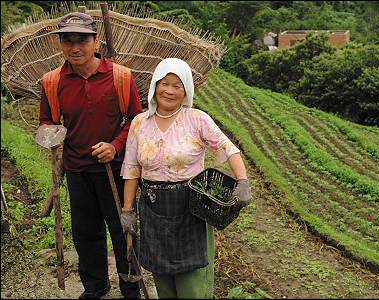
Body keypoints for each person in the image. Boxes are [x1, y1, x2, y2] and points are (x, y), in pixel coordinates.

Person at [120, 58, 252, 298]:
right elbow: (131, 168)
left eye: (177, 86)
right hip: (153, 206)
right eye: (164, 83)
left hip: (190, 207)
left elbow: (227, 147)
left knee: (192, 281)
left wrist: (242, 181)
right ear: (155, 86)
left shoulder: (196, 119)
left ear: (186, 91)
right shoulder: (140, 123)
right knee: (162, 277)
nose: (169, 91)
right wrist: (127, 210)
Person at [39, 12, 143, 298]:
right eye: (68, 41)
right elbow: (47, 121)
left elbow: (135, 119)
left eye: (82, 40)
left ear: (96, 42)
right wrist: (49, 133)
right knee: (86, 235)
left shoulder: (120, 77)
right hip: (77, 171)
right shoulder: (52, 82)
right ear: (60, 44)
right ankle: (96, 287)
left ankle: (130, 286)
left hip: (117, 172)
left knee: (124, 233)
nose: (75, 48)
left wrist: (115, 146)